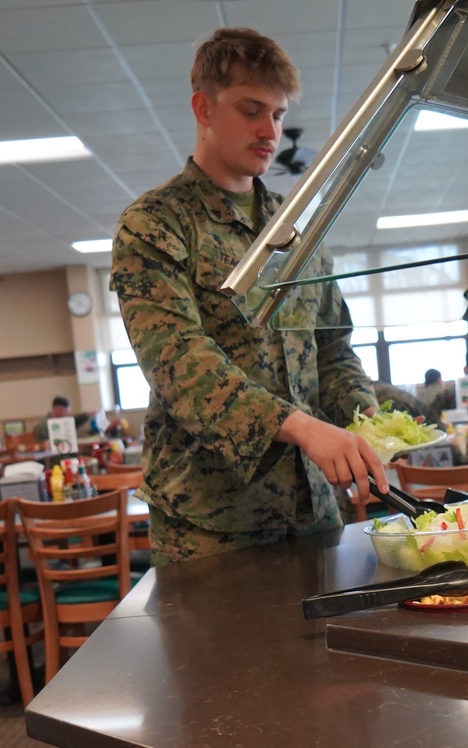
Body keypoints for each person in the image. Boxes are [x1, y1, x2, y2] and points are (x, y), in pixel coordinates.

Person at [110, 28, 388, 566]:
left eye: (279, 115)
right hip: (210, 524)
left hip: (313, 509)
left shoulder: (295, 228)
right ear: (204, 109)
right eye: (251, 110)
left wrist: (366, 419)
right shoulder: (155, 224)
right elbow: (177, 362)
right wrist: (304, 428)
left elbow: (331, 348)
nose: (270, 131)